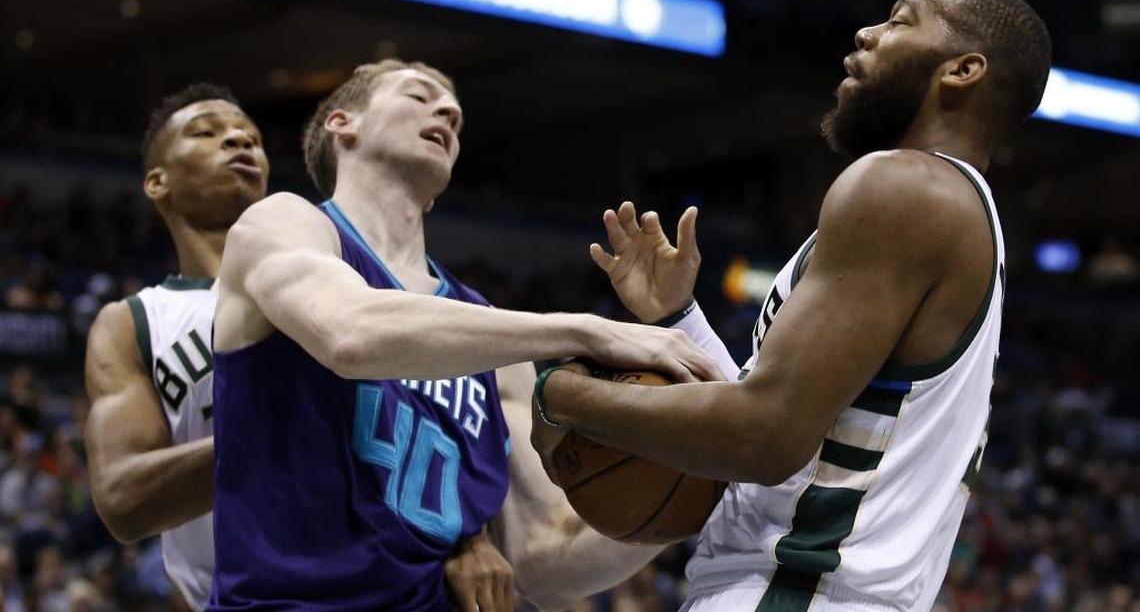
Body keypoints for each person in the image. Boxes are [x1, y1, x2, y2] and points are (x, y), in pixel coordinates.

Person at [531, 0, 1051, 612]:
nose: (867, 33)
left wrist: (563, 394)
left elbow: (764, 439)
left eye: (900, 20)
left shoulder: (904, 188)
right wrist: (679, 318)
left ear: (964, 69)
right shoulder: (951, 207)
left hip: (794, 594)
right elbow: (801, 432)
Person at [207, 59, 718, 611]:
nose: (447, 110)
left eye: (453, 109)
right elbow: (349, 333)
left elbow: (546, 556)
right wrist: (585, 331)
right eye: (419, 95)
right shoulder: (283, 223)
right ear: (343, 124)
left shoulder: (493, 343)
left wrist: (696, 471)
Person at [83, 84, 269, 610]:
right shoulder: (133, 322)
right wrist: (278, 431)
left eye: (250, 137)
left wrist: (471, 538)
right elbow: (123, 498)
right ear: (157, 182)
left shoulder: (334, 275)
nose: (237, 139)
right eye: (206, 133)